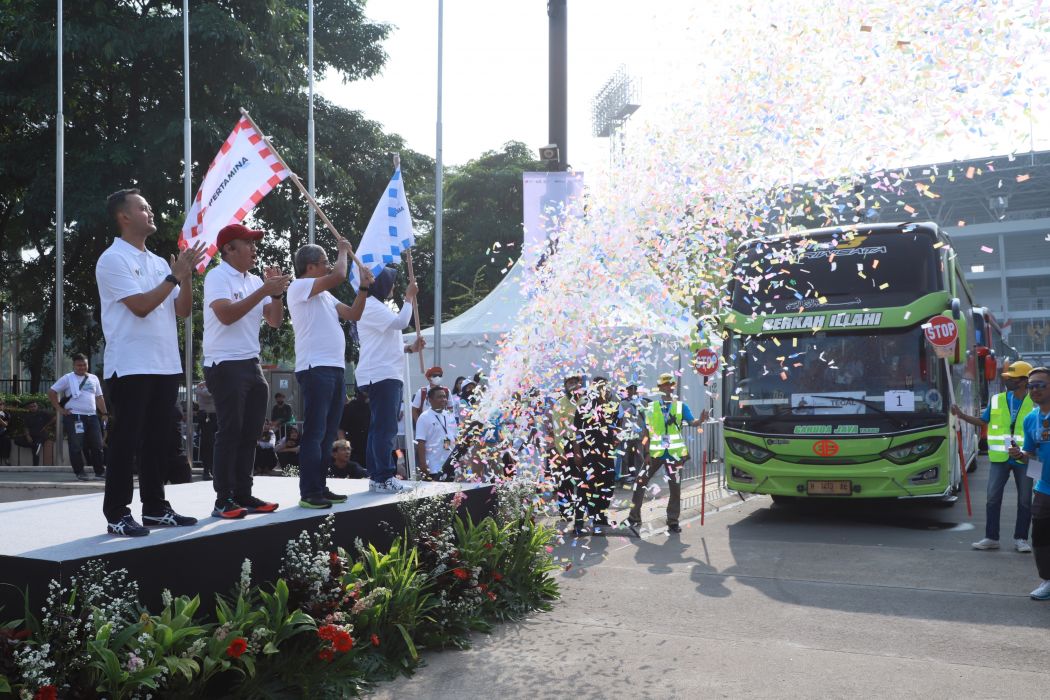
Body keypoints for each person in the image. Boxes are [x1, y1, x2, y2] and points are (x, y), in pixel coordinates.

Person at [95, 188, 206, 536]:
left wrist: (185, 278)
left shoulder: (160, 263)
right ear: (124, 217)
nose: (151, 211)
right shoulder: (113, 259)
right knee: (126, 441)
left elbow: (182, 310)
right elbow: (141, 306)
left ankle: (156, 508)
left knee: (159, 441)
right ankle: (116, 512)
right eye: (143, 207)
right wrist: (174, 277)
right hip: (130, 365)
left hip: (164, 365)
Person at [202, 223, 290, 518]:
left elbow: (275, 321)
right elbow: (226, 315)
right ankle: (222, 499)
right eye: (247, 243)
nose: (254, 249)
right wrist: (265, 289)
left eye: (254, 243)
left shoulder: (253, 280)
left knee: (251, 431)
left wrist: (276, 295)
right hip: (224, 362)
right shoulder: (218, 275)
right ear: (228, 249)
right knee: (230, 430)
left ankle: (243, 493)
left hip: (251, 362)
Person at [287, 239, 372, 509]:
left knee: (327, 435)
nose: (328, 266)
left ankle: (320, 487)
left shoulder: (324, 294)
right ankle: (309, 491)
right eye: (323, 262)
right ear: (310, 266)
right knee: (315, 433)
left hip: (333, 369)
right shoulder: (300, 286)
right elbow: (338, 275)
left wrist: (364, 288)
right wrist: (343, 251)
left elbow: (353, 314)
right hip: (315, 368)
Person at [354, 265, 425, 493]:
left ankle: (378, 477)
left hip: (383, 373)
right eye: (391, 281)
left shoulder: (374, 306)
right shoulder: (371, 306)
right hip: (382, 375)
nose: (394, 285)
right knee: (385, 429)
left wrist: (410, 348)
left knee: (379, 428)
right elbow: (402, 323)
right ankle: (384, 476)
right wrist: (408, 297)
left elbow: (386, 341)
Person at [953, 360, 1034, 552]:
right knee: (992, 498)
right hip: (1000, 458)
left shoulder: (1036, 401)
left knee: (1025, 500)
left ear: (1024, 381)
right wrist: (961, 415)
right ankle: (991, 538)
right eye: (1008, 378)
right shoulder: (997, 399)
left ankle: (1021, 539)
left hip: (1026, 458)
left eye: (1012, 379)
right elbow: (982, 421)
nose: (1008, 382)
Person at [626, 372, 709, 536]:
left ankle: (672, 521)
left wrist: (700, 420)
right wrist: (647, 452)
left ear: (673, 387)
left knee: (675, 488)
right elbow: (646, 432)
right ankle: (634, 517)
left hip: (674, 454)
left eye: (670, 384)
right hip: (655, 453)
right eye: (665, 384)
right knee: (640, 481)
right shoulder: (651, 407)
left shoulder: (680, 406)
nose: (668, 387)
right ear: (659, 387)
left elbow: (692, 422)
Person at [1011, 367, 1050, 600]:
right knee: (1041, 538)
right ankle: (1047, 580)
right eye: (1031, 386)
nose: (1035, 390)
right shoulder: (1030, 419)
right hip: (1044, 489)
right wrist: (1019, 454)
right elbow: (1031, 452)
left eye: (1041, 385)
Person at [47, 353, 108, 481]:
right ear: (74, 365)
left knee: (97, 444)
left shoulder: (94, 378)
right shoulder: (68, 378)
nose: (82, 367)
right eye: (79, 365)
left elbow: (99, 397)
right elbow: (52, 392)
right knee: (76, 445)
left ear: (87, 365)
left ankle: (100, 472)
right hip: (75, 417)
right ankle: (80, 472)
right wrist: (60, 409)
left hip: (92, 416)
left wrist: (105, 413)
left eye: (84, 364)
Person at [548, 375, 583, 522]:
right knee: (565, 481)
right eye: (570, 382)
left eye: (575, 382)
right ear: (565, 385)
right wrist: (561, 452)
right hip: (567, 445)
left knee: (582, 480)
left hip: (583, 445)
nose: (573, 385)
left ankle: (581, 512)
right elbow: (558, 430)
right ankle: (565, 512)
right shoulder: (560, 404)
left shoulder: (584, 400)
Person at [415, 386, 459, 480]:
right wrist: (423, 464)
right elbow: (421, 442)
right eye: (439, 397)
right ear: (430, 400)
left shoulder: (449, 415)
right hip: (433, 466)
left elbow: (455, 438)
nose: (443, 399)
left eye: (444, 397)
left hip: (450, 464)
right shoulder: (424, 417)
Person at [616, 384, 645, 483]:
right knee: (625, 456)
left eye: (634, 389)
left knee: (639, 455)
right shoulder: (623, 403)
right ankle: (624, 476)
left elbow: (646, 418)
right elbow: (619, 418)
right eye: (630, 389)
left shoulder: (642, 402)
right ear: (627, 391)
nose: (632, 391)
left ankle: (640, 476)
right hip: (626, 433)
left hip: (638, 433)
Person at [13, 400, 54, 467]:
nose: (33, 408)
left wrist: (46, 426)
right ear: (28, 408)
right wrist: (28, 436)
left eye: (34, 406)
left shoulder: (43, 413)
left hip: (41, 436)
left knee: (37, 447)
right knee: (17, 440)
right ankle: (33, 445)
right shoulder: (27, 416)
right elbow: (26, 427)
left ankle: (35, 466)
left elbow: (54, 419)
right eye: (31, 407)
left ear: (37, 406)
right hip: (31, 436)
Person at [338, 391, 370, 467]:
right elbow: (341, 429)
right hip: (354, 451)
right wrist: (345, 449)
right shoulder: (350, 407)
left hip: (371, 451)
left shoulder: (375, 405)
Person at [195, 380, 216, 480]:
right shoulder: (203, 385)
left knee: (215, 443)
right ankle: (207, 469)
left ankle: (213, 469)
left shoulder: (205, 385)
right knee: (208, 443)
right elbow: (207, 393)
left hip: (217, 416)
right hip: (207, 416)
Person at [0, 398, 11, 466]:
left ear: (3, 405)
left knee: (6, 440)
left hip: (2, 433)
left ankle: (6, 459)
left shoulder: (6, 414)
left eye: (0, 404)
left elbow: (5, 424)